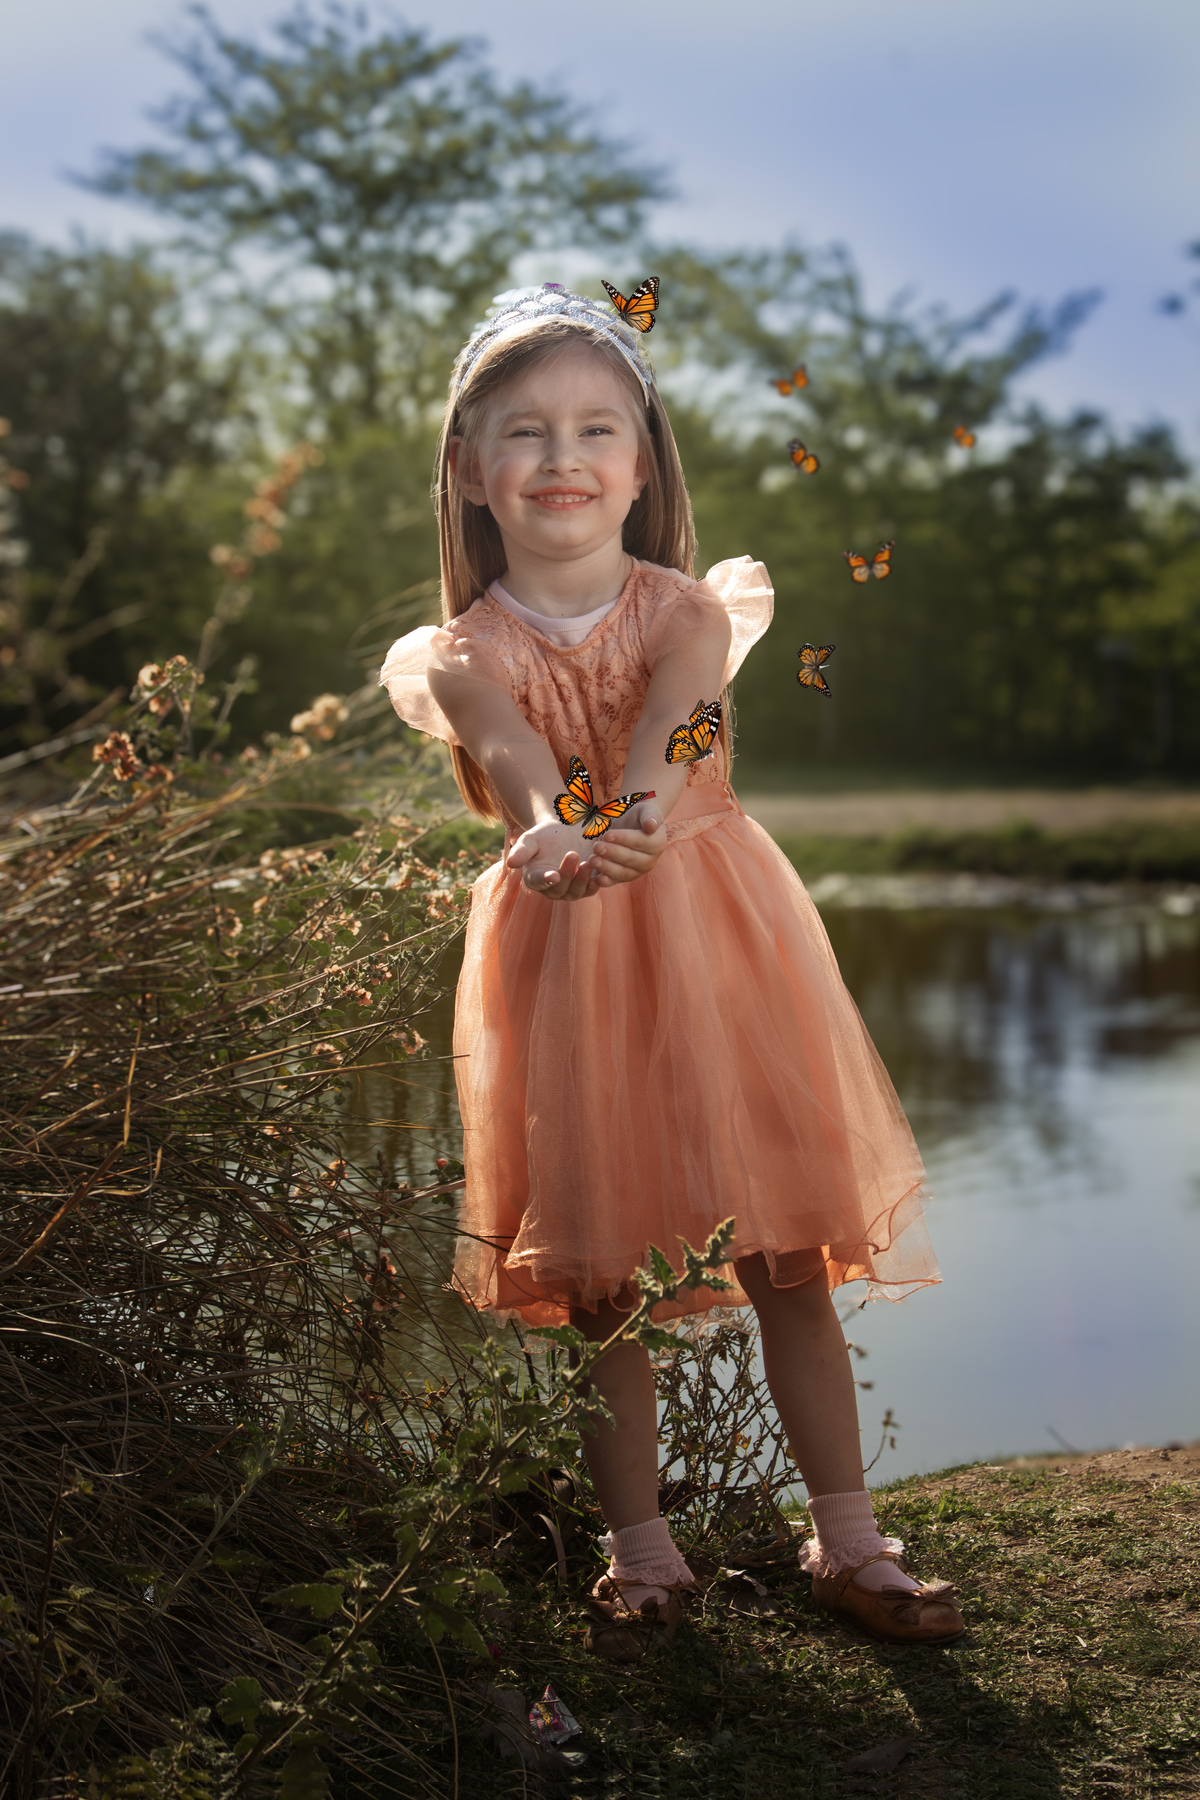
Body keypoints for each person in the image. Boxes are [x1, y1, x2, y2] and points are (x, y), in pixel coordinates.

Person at [381, 284, 963, 1656]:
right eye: (523, 432)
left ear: (644, 465)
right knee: (600, 1281)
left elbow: (672, 734)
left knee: (785, 1252)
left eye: (595, 428)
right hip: (562, 943)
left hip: (713, 936)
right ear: (470, 470)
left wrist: (629, 814)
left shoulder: (689, 609)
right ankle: (644, 1558)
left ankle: (852, 1542)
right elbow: (518, 766)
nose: (562, 457)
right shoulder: (462, 655)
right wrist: (544, 840)